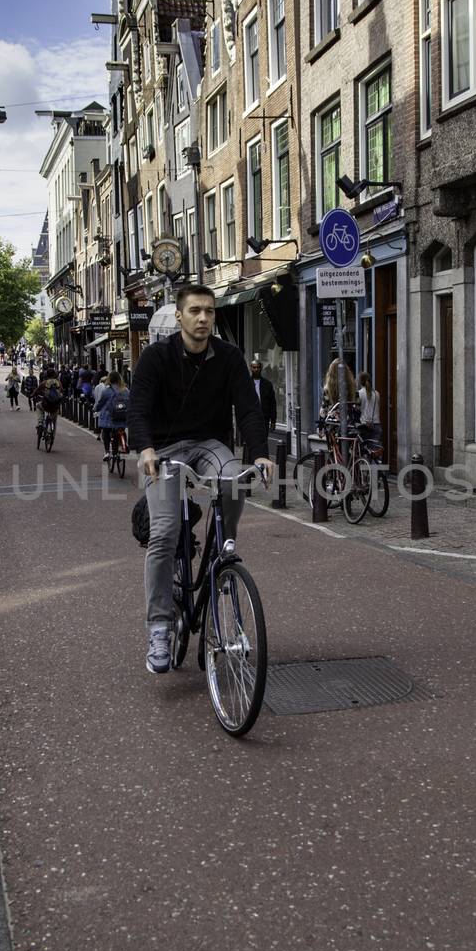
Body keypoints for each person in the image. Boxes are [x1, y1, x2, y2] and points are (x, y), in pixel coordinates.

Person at [129, 284, 271, 675]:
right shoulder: (156, 358)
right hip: (164, 450)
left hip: (209, 444)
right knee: (164, 533)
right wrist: (145, 450)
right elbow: (138, 410)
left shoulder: (228, 358)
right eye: (195, 311)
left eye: (209, 311)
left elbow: (248, 409)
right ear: (180, 316)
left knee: (235, 476)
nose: (204, 318)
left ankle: (223, 550)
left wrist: (259, 453)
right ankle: (158, 626)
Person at [97, 372, 128, 460]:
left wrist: (96, 409)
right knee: (121, 428)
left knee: (106, 431)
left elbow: (100, 403)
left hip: (110, 418)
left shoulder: (106, 391)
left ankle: (107, 452)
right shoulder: (125, 390)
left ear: (109, 380)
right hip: (122, 416)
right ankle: (123, 444)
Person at [250, 357, 277, 432]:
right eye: (254, 367)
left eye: (258, 367)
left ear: (261, 368)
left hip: (264, 418)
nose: (256, 369)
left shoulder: (267, 384)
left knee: (263, 439)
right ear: (251, 368)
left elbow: (272, 403)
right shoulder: (247, 383)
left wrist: (273, 421)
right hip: (251, 418)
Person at [356, 371, 382, 444]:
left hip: (364, 426)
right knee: (374, 451)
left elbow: (357, 410)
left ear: (360, 382)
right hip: (376, 424)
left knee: (364, 451)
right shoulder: (377, 393)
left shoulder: (359, 394)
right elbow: (378, 407)